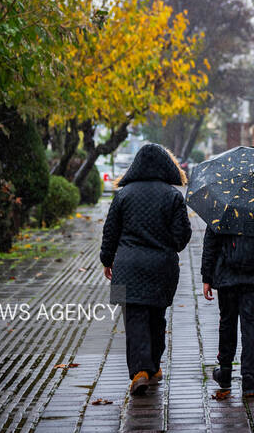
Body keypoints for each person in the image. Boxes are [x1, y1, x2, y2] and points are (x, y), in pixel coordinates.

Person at [100, 144, 192, 396]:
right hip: (161, 267)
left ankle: (140, 371)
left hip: (126, 266)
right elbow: (182, 236)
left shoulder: (123, 195)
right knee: (157, 317)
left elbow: (110, 232)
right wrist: (167, 245)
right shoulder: (173, 196)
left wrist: (106, 260)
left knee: (133, 320)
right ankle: (153, 367)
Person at [201, 227, 254, 397]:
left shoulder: (222, 208)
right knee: (251, 325)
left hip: (226, 275)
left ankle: (225, 372)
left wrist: (207, 278)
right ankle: (249, 378)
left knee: (227, 322)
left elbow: (210, 244)